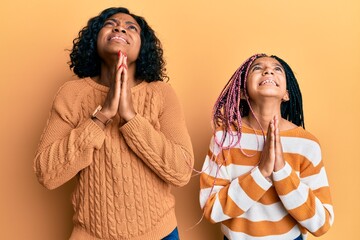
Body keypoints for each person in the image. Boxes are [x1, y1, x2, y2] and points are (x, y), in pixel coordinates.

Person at [34, 7, 194, 240]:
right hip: (90, 234)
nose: (120, 27)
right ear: (94, 40)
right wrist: (102, 115)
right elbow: (47, 173)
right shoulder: (71, 93)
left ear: (143, 48)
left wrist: (131, 117)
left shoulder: (161, 93)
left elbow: (181, 172)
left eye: (132, 27)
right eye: (110, 24)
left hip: (160, 233)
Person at [199, 54, 334, 240]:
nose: (268, 70)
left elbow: (321, 223)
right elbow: (211, 208)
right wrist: (261, 172)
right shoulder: (224, 138)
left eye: (277, 69)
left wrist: (281, 171)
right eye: (257, 68)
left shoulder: (307, 144)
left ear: (287, 93)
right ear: (242, 92)